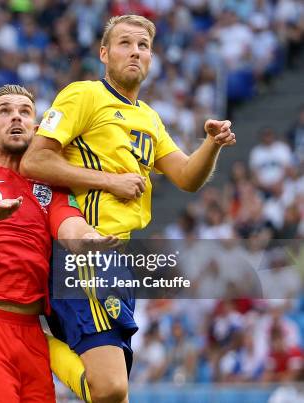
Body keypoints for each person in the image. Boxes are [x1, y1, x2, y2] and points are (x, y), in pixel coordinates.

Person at [20, 14, 237, 403]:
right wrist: (110, 180)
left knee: (112, 394)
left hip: (118, 257)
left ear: (152, 58)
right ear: (104, 53)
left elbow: (187, 177)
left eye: (143, 46)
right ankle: (24, 337)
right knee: (112, 389)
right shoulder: (84, 94)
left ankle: (27, 336)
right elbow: (34, 162)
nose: (135, 51)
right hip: (84, 249)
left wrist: (212, 144)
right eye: (124, 43)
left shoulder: (149, 118)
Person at [0, 84, 118, 402]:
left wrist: (88, 239)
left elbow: (68, 224)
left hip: (31, 331)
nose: (16, 118)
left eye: (24, 112)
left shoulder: (49, 181)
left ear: (36, 128)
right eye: (5, 111)